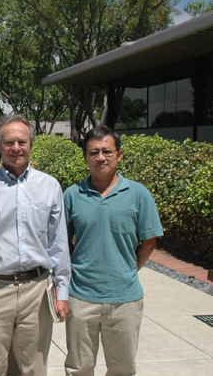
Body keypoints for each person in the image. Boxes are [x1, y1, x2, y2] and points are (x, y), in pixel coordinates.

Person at [0, 113, 71, 376]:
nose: (16, 148)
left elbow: (58, 244)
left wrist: (62, 291)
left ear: (31, 144)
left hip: (36, 291)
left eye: (22, 141)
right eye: (8, 142)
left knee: (33, 369)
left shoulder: (49, 186)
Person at [63, 126, 163, 376]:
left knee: (122, 369)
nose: (100, 157)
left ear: (119, 155)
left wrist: (128, 269)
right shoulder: (72, 195)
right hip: (81, 296)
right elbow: (62, 240)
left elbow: (149, 241)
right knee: (78, 369)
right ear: (85, 157)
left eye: (107, 151)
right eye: (93, 152)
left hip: (125, 299)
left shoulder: (138, 194)